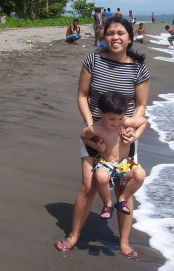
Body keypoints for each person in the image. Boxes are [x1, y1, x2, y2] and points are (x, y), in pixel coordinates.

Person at [54, 16, 150, 261]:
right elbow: (82, 96)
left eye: (120, 33)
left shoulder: (139, 68)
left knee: (123, 189)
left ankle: (125, 242)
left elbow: (141, 106)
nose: (115, 37)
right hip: (95, 133)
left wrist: (129, 129)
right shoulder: (93, 60)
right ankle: (74, 235)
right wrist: (92, 128)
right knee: (88, 186)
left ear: (130, 37)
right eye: (110, 33)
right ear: (103, 36)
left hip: (123, 138)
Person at [81, 91, 147, 220]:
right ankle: (107, 203)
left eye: (120, 118)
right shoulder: (96, 129)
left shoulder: (126, 122)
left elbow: (143, 121)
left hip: (124, 164)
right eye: (112, 119)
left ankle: (122, 200)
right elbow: (83, 136)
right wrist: (96, 146)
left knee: (141, 174)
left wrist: (135, 137)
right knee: (101, 176)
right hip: (105, 163)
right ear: (101, 113)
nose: (116, 122)